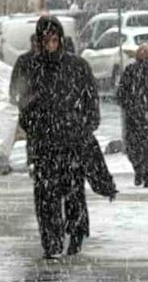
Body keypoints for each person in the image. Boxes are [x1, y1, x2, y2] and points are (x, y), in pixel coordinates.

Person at [16, 17, 101, 259]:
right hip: (44, 146)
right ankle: (51, 241)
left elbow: (90, 100)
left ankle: (76, 234)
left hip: (71, 143)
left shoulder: (77, 66)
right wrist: (34, 127)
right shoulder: (32, 67)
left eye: (55, 40)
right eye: (47, 40)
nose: (51, 45)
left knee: (73, 192)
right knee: (46, 196)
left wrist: (84, 127)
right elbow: (23, 103)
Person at [115, 44, 148, 188]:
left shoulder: (135, 70)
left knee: (139, 146)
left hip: (140, 116)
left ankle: (142, 170)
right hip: (146, 115)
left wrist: (129, 105)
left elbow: (121, 94)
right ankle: (145, 171)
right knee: (147, 146)